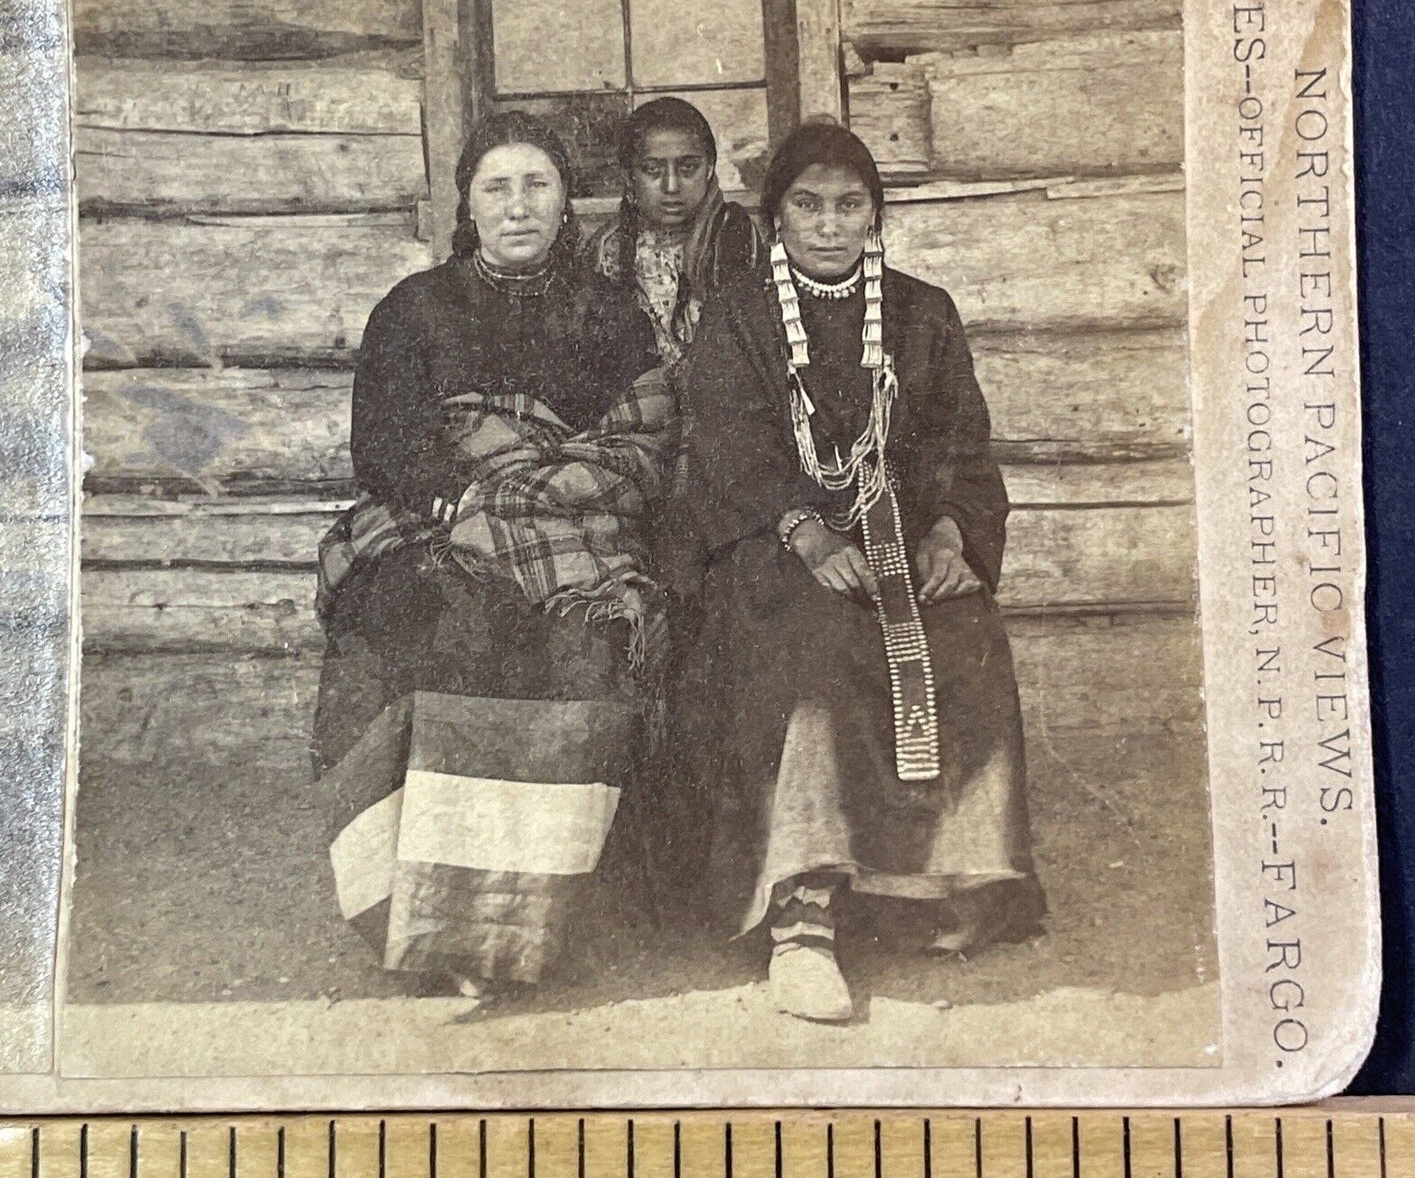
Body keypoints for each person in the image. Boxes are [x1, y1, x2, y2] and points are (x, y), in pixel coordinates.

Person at [677, 122, 1045, 1023]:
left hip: (905, 541)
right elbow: (725, 452)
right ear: (775, 217)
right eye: (807, 204)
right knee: (811, 644)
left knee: (962, 630)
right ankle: (801, 921)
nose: (829, 225)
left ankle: (937, 884)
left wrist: (954, 535)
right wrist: (804, 533)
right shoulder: (735, 315)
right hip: (773, 543)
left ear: (874, 214)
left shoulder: (923, 311)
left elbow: (963, 442)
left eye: (849, 205)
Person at [310, 110, 677, 1001]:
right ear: (469, 207)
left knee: (579, 647)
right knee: (449, 626)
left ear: (565, 201)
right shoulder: (414, 307)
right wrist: (465, 501)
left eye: (537, 185)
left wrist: (534, 493)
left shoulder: (611, 314)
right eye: (497, 188)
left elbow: (638, 446)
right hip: (438, 521)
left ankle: (524, 917)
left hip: (569, 534)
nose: (519, 206)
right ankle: (430, 918)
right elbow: (384, 443)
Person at [584, 97, 767, 366]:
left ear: (710, 168)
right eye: (653, 170)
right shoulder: (607, 249)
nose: (671, 186)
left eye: (688, 168)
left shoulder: (733, 234)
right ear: (628, 176)